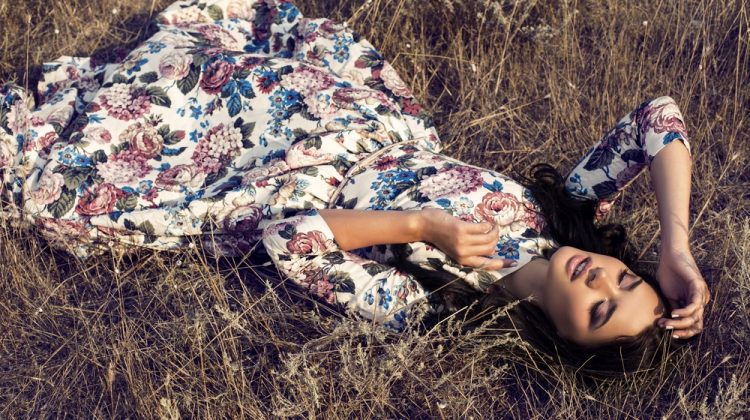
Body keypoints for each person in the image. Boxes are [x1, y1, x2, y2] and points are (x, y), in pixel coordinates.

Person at [0, 0, 709, 372]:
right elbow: (658, 118)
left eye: (596, 310)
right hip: (340, 117)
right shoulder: (560, 215)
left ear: (558, 337)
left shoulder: (440, 306)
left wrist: (422, 230)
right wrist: (675, 247)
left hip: (284, 173)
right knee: (207, 60)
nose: (601, 280)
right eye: (623, 279)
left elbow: (296, 241)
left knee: (106, 150)